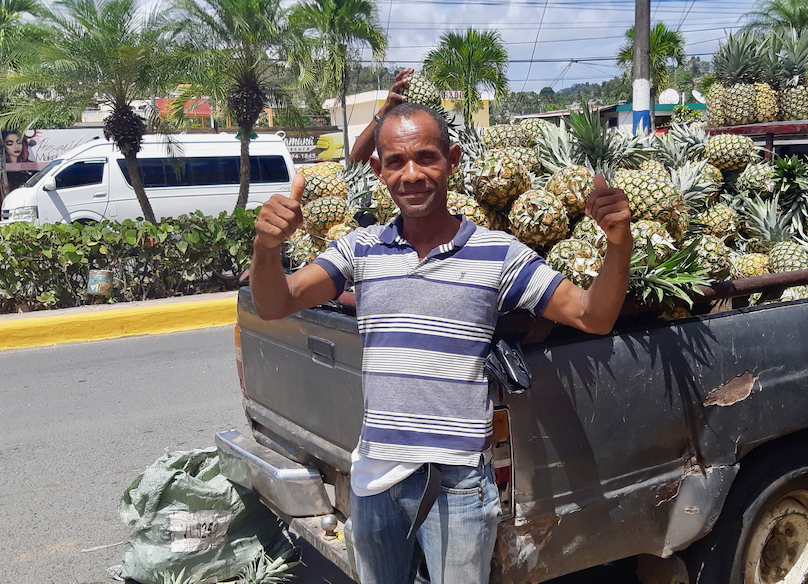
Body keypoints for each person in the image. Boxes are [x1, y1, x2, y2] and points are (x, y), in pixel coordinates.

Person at [250, 102, 633, 584]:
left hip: (457, 484)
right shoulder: (360, 248)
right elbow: (275, 302)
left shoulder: (498, 254)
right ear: (378, 170)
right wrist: (266, 247)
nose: (412, 174)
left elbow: (591, 315)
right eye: (396, 162)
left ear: (451, 160)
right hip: (375, 479)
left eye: (426, 158)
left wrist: (619, 244)